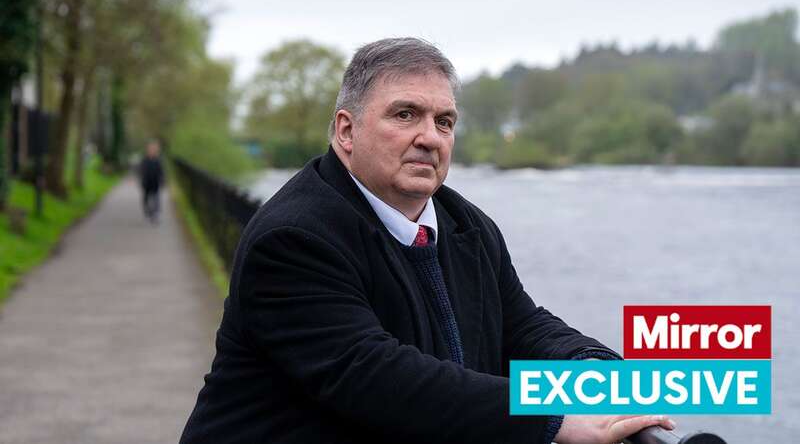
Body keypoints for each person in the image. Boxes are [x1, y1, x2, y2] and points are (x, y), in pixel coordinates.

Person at [180, 38, 674, 443]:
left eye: (444, 121)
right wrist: (555, 423)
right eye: (405, 115)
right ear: (345, 131)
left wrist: (602, 376)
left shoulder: (465, 225)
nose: (431, 137)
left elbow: (521, 326)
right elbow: (376, 375)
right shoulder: (294, 238)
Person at [138, 140, 164, 223]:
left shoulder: (158, 160)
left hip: (155, 183)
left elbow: (161, 171)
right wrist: (142, 179)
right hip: (147, 183)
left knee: (156, 199)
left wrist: (162, 180)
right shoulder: (145, 160)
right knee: (146, 199)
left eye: (154, 149)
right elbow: (141, 171)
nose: (152, 151)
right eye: (151, 149)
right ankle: (148, 211)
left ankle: (155, 214)